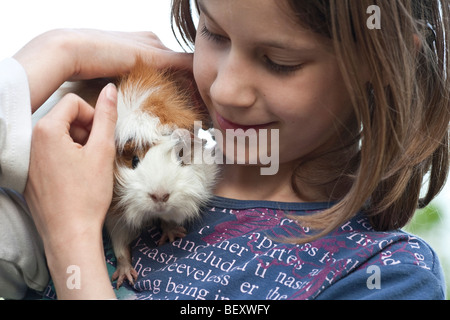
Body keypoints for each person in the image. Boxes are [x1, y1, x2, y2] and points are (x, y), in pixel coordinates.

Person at [3, 0, 449, 299]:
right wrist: (52, 57)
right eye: (213, 34)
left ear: (380, 64)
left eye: (280, 62)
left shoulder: (385, 275)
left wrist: (72, 242)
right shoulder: (96, 163)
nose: (227, 89)